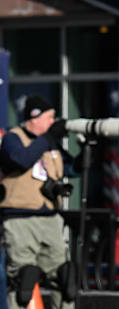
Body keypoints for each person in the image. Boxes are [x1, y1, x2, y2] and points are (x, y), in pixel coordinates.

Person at [0, 95, 76, 309]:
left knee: (65, 277)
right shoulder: (13, 139)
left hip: (50, 218)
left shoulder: (51, 144)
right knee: (23, 280)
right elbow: (20, 159)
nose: (53, 123)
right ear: (34, 116)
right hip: (20, 218)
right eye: (49, 117)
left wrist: (88, 153)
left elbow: (71, 168)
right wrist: (48, 138)